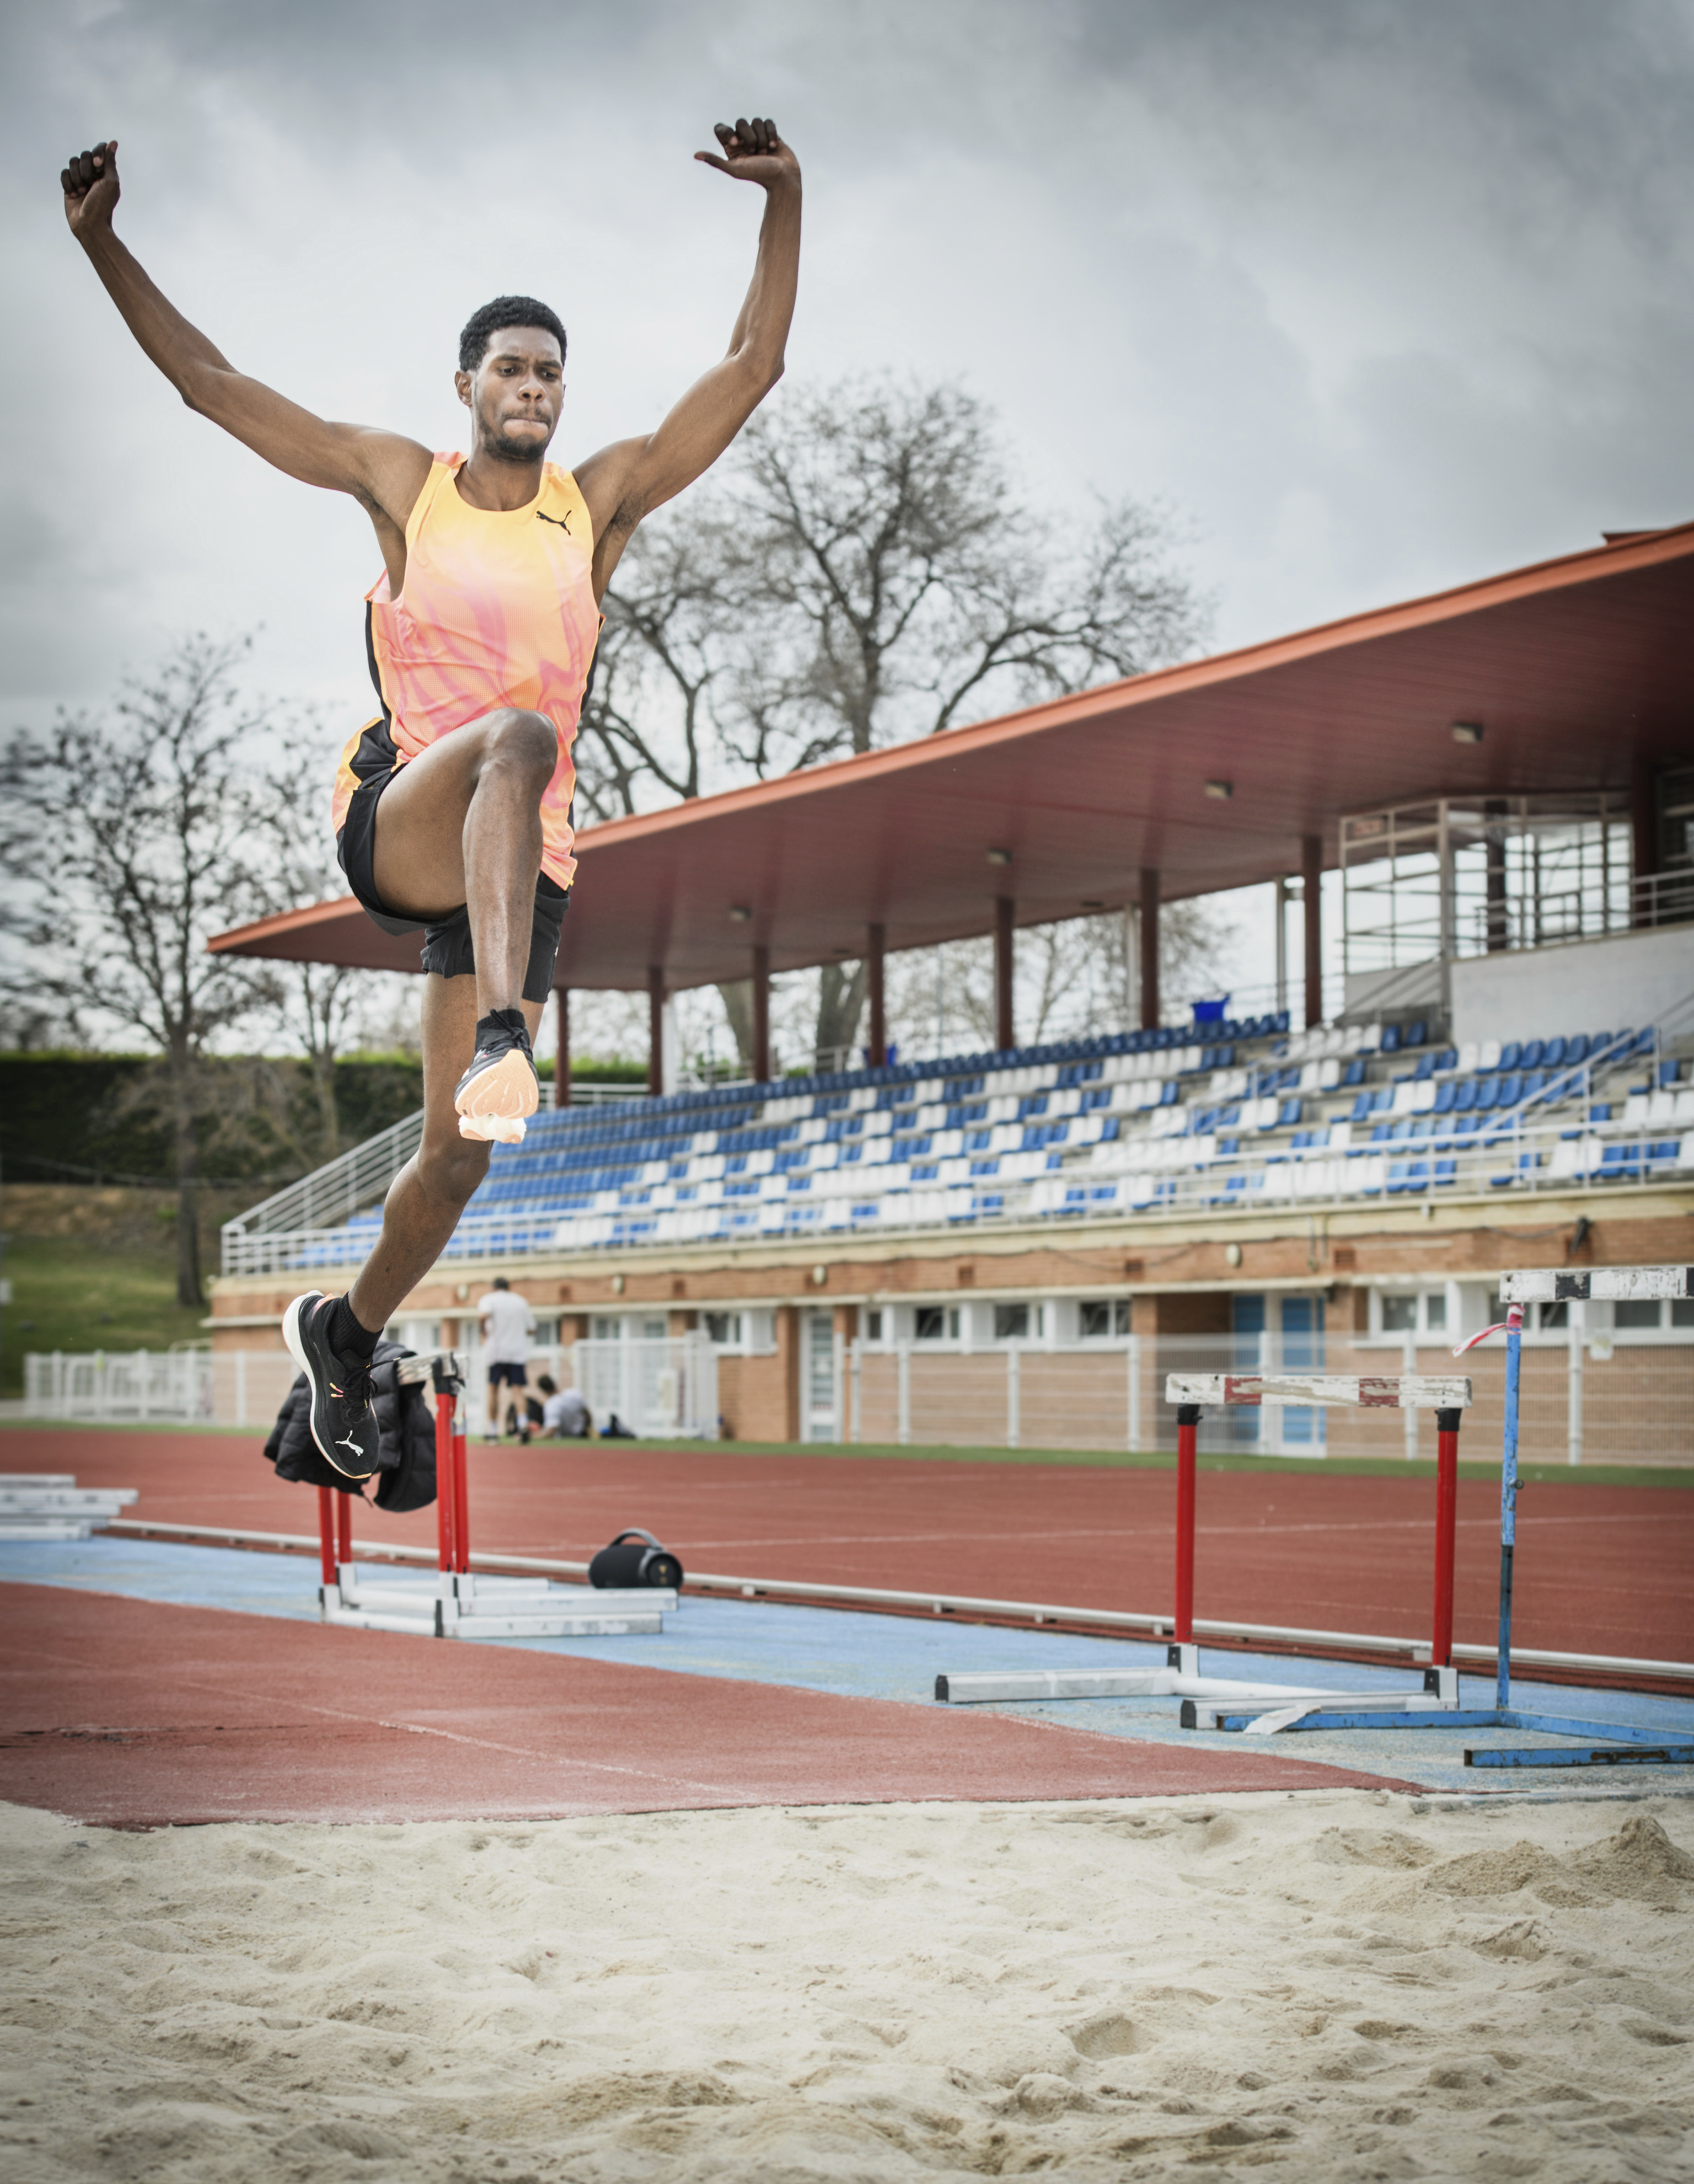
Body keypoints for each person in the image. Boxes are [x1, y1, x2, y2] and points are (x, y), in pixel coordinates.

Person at [59, 119, 801, 1480]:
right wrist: (105, 243)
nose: (533, 388)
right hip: (408, 816)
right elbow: (213, 387)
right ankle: (508, 1030)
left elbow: (750, 368)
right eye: (511, 368)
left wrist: (783, 201)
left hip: (521, 868)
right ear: (465, 382)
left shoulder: (600, 504)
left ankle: (344, 1332)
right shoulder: (406, 484)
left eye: (551, 374)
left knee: (458, 1162)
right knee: (512, 735)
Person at [476, 1275, 534, 1442]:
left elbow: (483, 1316)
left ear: (493, 1288)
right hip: (517, 1351)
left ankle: (493, 1431)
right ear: (509, 1287)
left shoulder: (489, 1299)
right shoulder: (521, 1302)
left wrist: (484, 1332)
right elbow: (531, 1329)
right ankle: (523, 1424)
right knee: (517, 1389)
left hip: (496, 1351)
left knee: (493, 1388)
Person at [534, 1374, 592, 1439]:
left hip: (566, 1439)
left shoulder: (551, 1405)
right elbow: (587, 1415)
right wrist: (589, 1429)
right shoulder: (576, 1393)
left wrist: (533, 1436)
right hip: (583, 1435)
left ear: (543, 1390)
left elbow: (551, 1431)